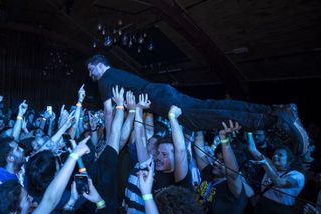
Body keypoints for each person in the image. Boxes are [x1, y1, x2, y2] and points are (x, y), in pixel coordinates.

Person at [86, 54, 309, 155]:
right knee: (212, 107)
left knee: (204, 118)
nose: (90, 75)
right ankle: (276, 110)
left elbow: (108, 112)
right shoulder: (116, 74)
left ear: (98, 65)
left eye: (90, 70)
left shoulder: (105, 78)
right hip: (163, 93)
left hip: (162, 100)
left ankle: (273, 121)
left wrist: (108, 141)